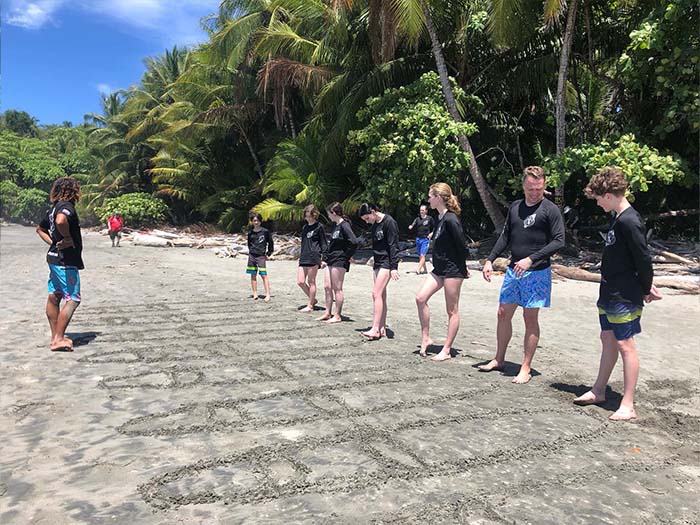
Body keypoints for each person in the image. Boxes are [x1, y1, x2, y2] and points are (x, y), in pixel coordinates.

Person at [573, 167, 661, 421]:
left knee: (625, 345)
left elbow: (643, 258)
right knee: (607, 338)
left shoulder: (629, 220)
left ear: (609, 195)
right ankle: (599, 390)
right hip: (609, 292)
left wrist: (646, 287)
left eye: (598, 198)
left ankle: (628, 404)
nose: (598, 203)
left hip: (624, 295)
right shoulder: (617, 217)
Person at [479, 166, 565, 383]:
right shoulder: (516, 207)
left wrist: (531, 259)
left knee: (529, 318)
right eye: (530, 188)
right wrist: (490, 259)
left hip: (536, 272)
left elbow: (559, 240)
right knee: (502, 313)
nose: (534, 192)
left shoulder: (550, 209)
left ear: (544, 185)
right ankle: (499, 358)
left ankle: (525, 367)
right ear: (523, 186)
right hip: (513, 271)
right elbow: (505, 236)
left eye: (538, 188)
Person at [415, 183, 469, 361]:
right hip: (439, 269)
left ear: (438, 197)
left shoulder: (451, 219)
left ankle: (446, 349)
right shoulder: (439, 218)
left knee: (451, 310)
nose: (428, 199)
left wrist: (464, 268)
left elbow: (462, 246)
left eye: (430, 196)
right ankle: (426, 337)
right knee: (420, 298)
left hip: (453, 270)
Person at [35, 176, 84, 352]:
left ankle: (55, 336)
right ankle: (59, 338)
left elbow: (40, 229)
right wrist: (67, 238)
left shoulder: (53, 208)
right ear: (73, 191)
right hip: (65, 261)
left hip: (54, 258)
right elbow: (61, 221)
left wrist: (53, 243)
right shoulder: (65, 207)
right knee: (73, 298)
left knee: (54, 296)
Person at [359, 203, 400, 340]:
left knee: (375, 293)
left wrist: (394, 267)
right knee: (381, 295)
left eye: (367, 218)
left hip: (387, 262)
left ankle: (375, 328)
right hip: (377, 262)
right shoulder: (375, 225)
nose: (366, 221)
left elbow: (393, 245)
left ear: (373, 211)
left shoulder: (389, 222)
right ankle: (381, 327)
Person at [318, 202, 358, 323]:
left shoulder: (344, 225)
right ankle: (327, 312)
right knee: (327, 286)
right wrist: (325, 259)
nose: (328, 216)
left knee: (337, 288)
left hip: (339, 260)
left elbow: (354, 241)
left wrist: (347, 256)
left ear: (334, 213)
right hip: (331, 260)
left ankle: (337, 315)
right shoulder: (336, 226)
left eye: (329, 214)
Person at [297, 204, 328, 312]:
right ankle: (313, 299)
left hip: (314, 256)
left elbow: (324, 243)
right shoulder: (305, 227)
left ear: (314, 215)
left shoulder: (319, 227)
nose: (308, 218)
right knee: (300, 281)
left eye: (310, 216)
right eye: (306, 216)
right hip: (304, 256)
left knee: (311, 281)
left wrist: (324, 258)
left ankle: (310, 305)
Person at [246, 212, 274, 302]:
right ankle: (254, 293)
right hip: (252, 256)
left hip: (261, 256)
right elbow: (249, 244)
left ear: (260, 221)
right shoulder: (250, 233)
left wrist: (268, 253)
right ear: (252, 222)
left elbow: (270, 242)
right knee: (253, 275)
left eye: (257, 221)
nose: (256, 222)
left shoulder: (265, 232)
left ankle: (268, 294)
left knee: (263, 275)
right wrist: (251, 252)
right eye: (254, 221)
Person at [408, 204, 435, 274]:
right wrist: (411, 226)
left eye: (423, 210)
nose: (421, 212)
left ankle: (418, 269)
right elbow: (413, 224)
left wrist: (431, 233)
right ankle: (425, 270)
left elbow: (435, 227)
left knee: (423, 255)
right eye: (420, 210)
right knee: (420, 256)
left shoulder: (429, 218)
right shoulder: (417, 219)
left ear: (426, 211)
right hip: (418, 239)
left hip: (425, 239)